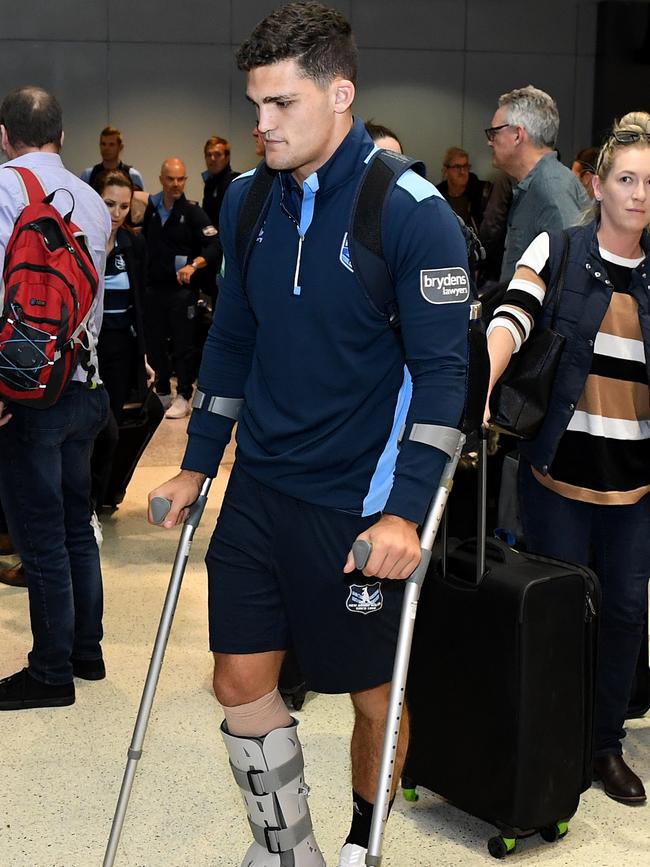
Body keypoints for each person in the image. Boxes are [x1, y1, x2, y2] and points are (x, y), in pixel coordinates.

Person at [148, 3, 470, 866]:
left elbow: (445, 377)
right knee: (240, 680)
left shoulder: (411, 211)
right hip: (261, 491)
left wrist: (404, 512)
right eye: (255, 104)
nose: (261, 124)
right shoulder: (251, 200)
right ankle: (290, 850)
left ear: (341, 95)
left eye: (282, 104)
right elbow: (231, 343)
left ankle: (365, 845)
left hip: (361, 505)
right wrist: (197, 467)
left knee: (375, 696)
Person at [485, 111, 650, 806]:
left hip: (633, 489)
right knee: (559, 616)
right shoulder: (559, 247)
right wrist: (482, 383)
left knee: (623, 616)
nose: (639, 194)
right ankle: (550, 739)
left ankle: (603, 744)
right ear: (598, 183)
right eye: (627, 178)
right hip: (557, 475)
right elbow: (512, 315)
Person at [0, 86, 111, 710]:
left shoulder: (3, 190)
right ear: (62, 137)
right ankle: (84, 651)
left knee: (37, 536)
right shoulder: (92, 200)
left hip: (25, 395)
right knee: (76, 528)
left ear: (3, 134)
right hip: (84, 386)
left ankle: (49, 674)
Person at [90, 169, 156, 511]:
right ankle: (86, 499)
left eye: (124, 206)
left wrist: (144, 357)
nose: (116, 213)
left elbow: (140, 306)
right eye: (109, 204)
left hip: (120, 348)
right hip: (87, 349)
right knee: (92, 427)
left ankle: (101, 499)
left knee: (111, 427)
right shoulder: (82, 241)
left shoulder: (134, 244)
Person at [141, 157, 221, 419]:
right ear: (162, 179)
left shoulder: (193, 212)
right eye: (171, 179)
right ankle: (163, 390)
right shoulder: (151, 210)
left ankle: (184, 394)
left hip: (181, 292)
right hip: (154, 290)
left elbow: (214, 246)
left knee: (183, 344)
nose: (176, 184)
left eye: (181, 179)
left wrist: (194, 266)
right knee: (154, 344)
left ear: (185, 180)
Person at [486, 85, 588, 282]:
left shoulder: (552, 190)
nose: (490, 142)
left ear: (517, 135)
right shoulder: (535, 186)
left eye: (494, 133)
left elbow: (573, 274)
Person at [437, 146, 492, 232]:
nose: (462, 172)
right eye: (457, 167)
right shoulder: (438, 197)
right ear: (445, 170)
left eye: (465, 166)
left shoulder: (481, 192)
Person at [80, 125, 145, 191]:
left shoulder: (133, 176)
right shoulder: (88, 175)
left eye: (111, 144)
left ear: (120, 147)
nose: (106, 148)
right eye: (103, 144)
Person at [201, 136, 240, 228]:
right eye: (209, 155)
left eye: (217, 154)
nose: (212, 159)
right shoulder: (209, 184)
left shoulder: (235, 183)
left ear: (227, 158)